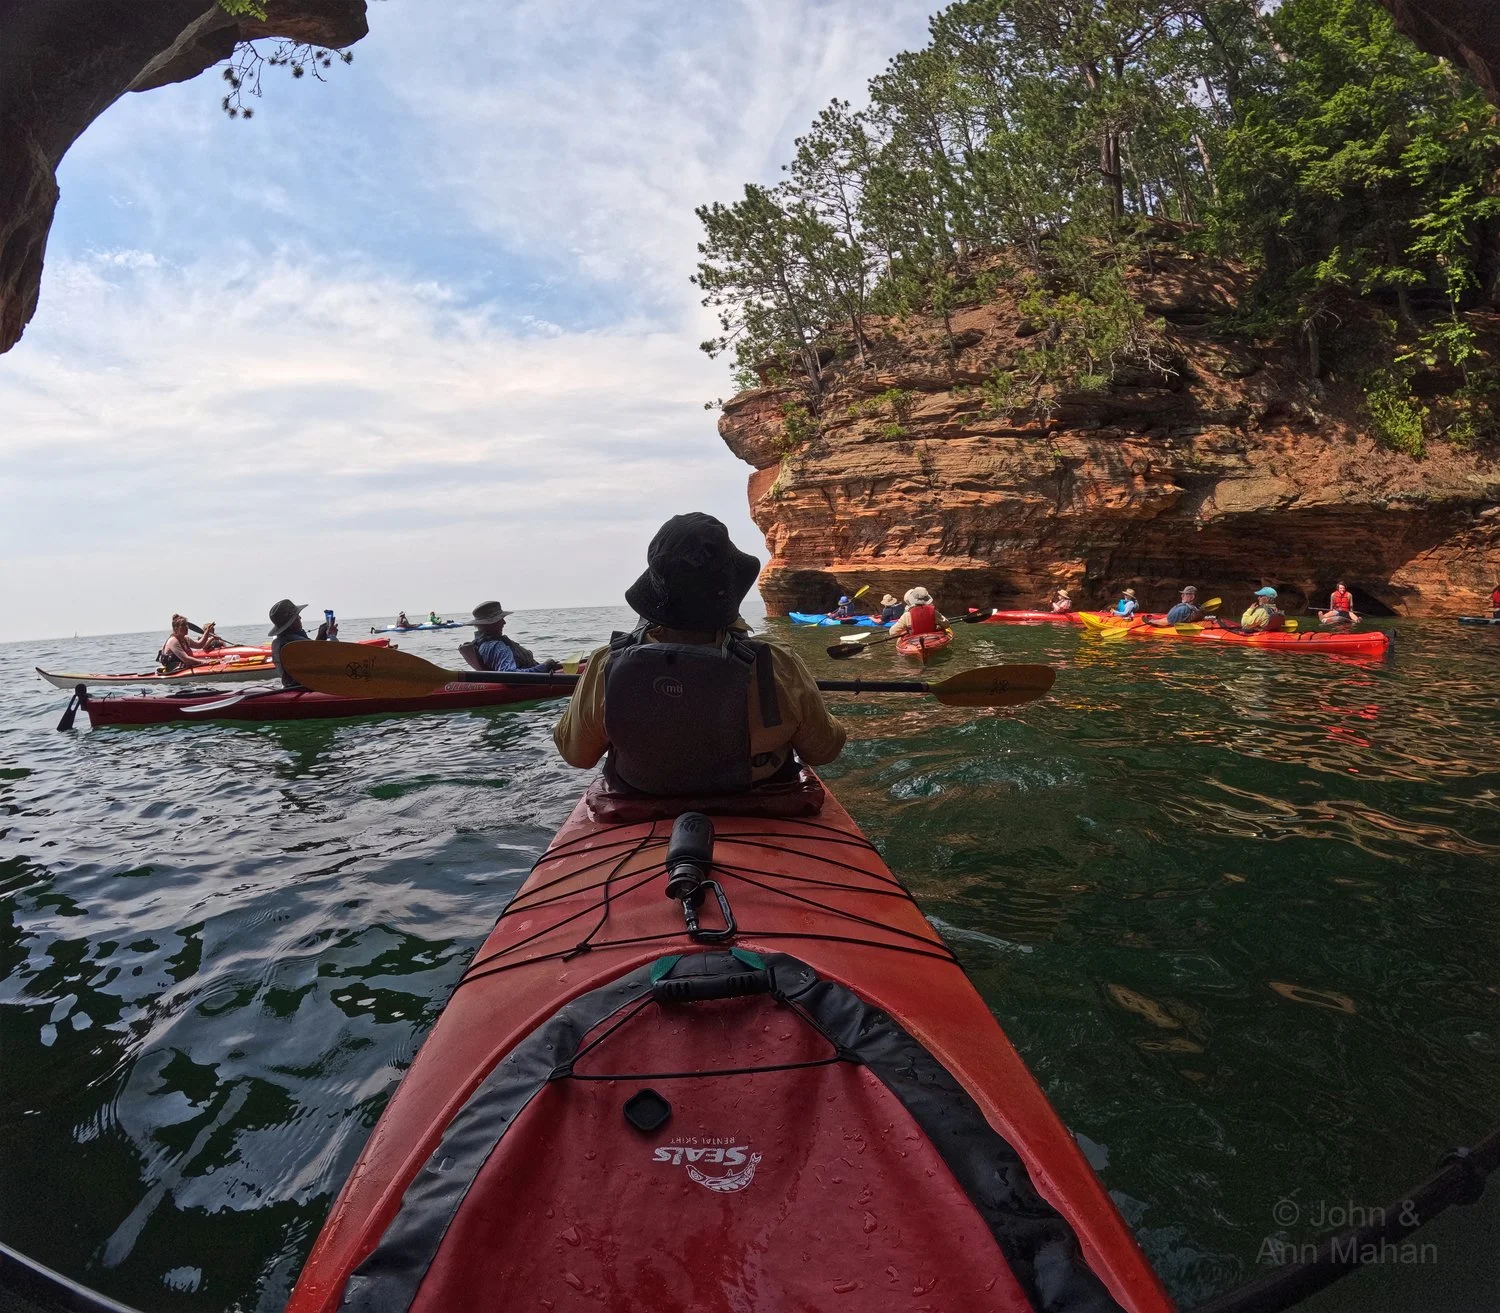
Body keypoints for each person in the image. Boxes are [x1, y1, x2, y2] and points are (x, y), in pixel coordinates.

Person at [554, 512, 846, 796]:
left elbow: (577, 755)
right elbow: (823, 751)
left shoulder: (607, 662)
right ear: (730, 589)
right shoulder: (776, 663)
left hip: (643, 803)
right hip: (755, 804)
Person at [459, 602, 561, 673]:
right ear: (490, 623)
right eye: (500, 619)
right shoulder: (497, 646)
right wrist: (544, 667)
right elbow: (510, 675)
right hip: (529, 685)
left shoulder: (483, 644)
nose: (504, 622)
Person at [268, 599, 312, 688]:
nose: (300, 618)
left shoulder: (277, 642)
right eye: (297, 616)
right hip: (302, 688)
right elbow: (322, 659)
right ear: (292, 623)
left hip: (290, 686)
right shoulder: (295, 643)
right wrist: (331, 636)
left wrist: (321, 637)